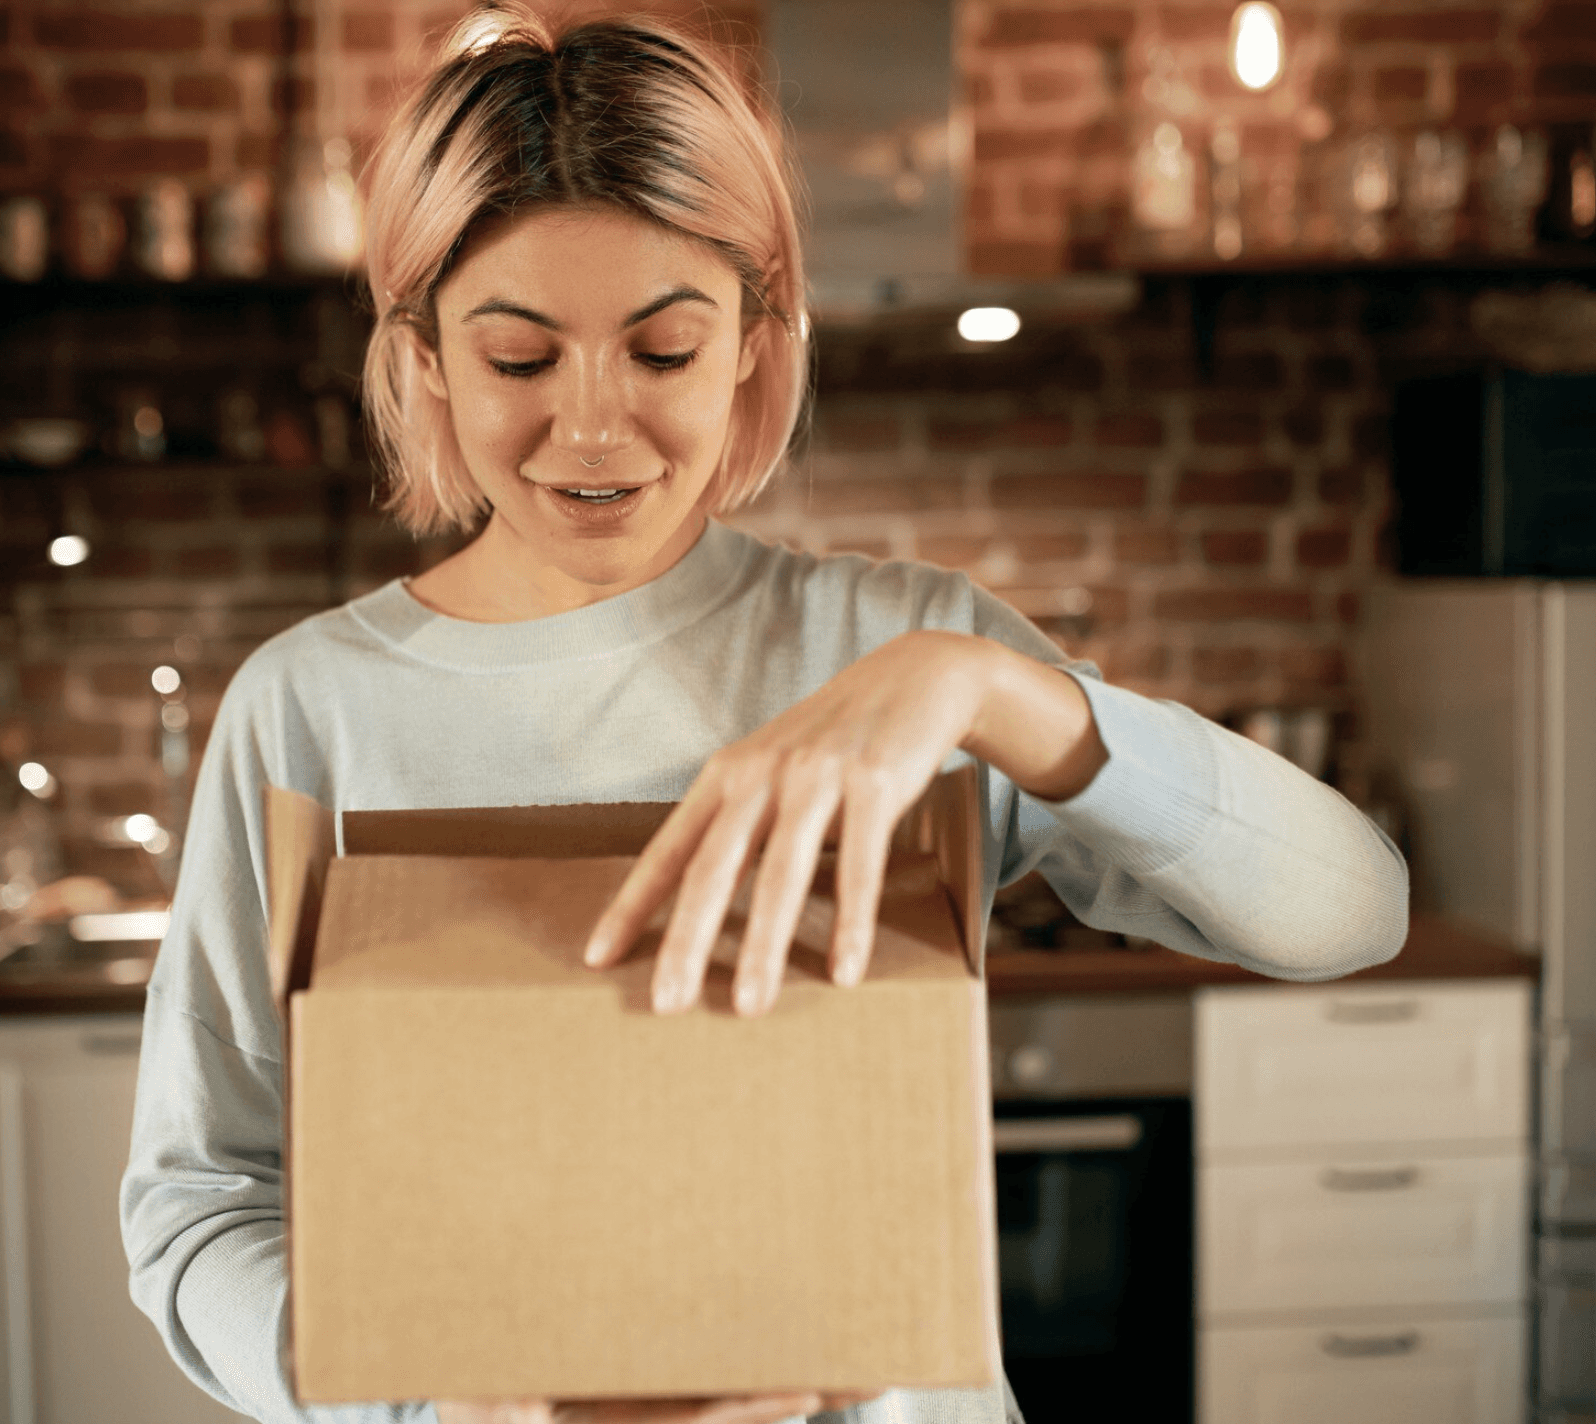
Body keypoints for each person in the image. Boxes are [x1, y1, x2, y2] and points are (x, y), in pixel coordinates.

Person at [120, 8, 1409, 1424]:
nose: (593, 428)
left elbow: (1352, 914)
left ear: (754, 336)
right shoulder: (310, 708)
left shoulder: (896, 652)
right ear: (423, 353)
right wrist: (422, 1402)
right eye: (521, 360)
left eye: (664, 350)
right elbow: (202, 1202)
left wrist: (996, 691)